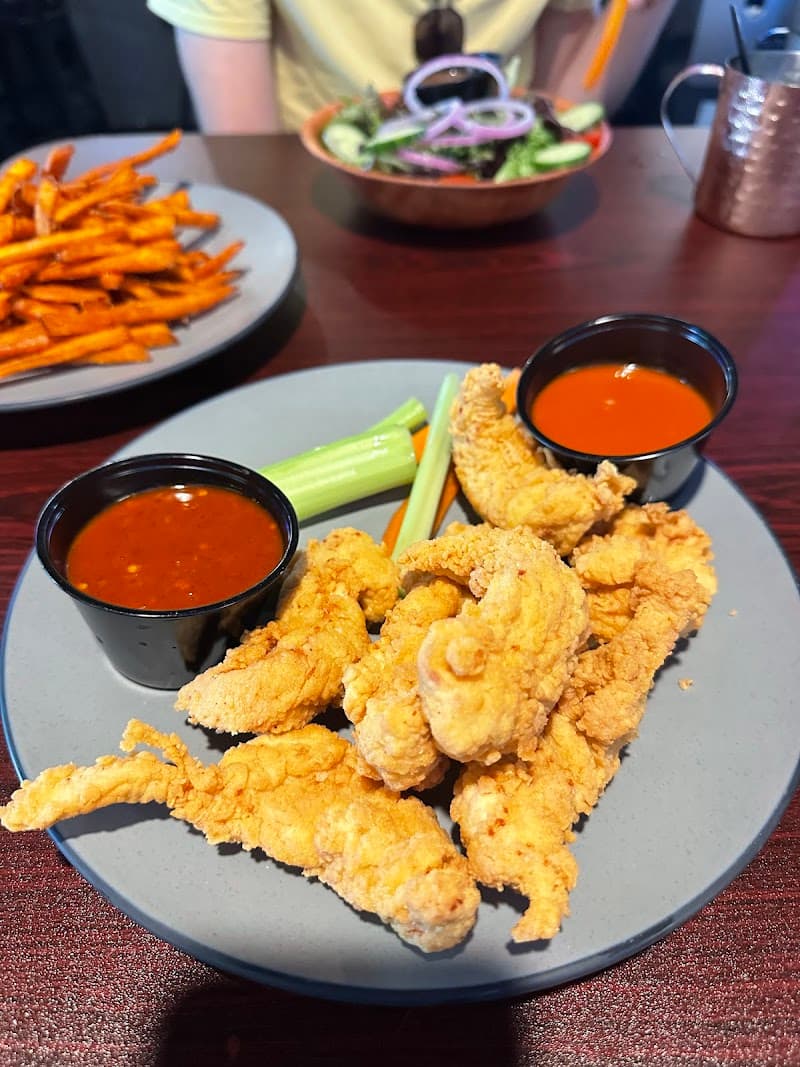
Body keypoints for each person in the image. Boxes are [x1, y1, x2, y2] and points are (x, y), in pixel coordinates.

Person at [145, 0, 677, 134]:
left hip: (505, 204)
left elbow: (564, 110)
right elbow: (247, 151)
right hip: (315, 198)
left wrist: (643, 10)